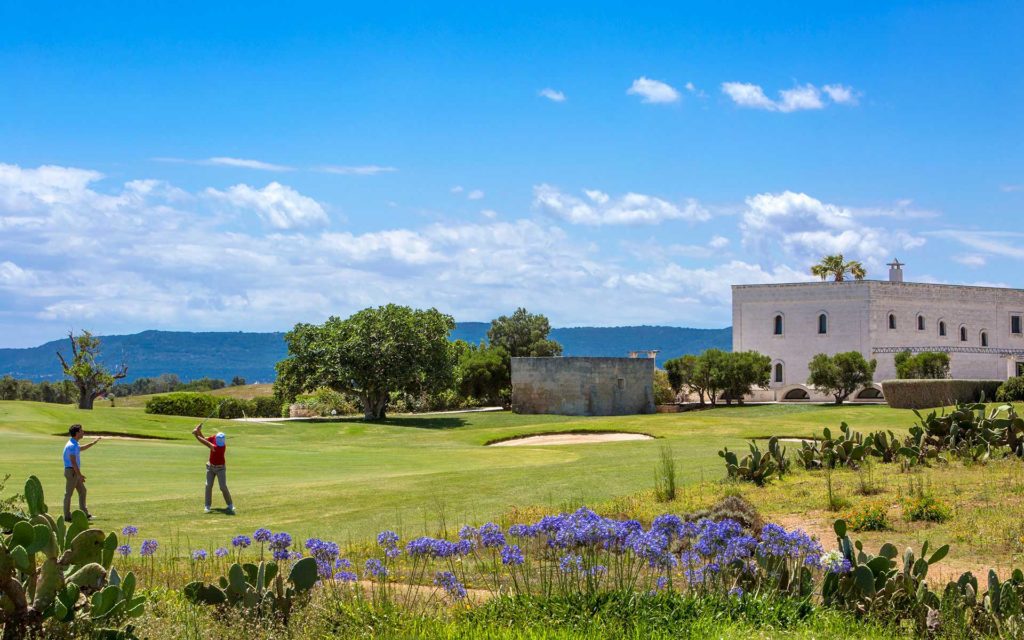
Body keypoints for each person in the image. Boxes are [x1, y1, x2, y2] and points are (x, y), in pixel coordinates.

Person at [192, 424, 234, 514]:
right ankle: (207, 506)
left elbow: (205, 443)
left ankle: (230, 505)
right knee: (208, 485)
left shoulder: (220, 447)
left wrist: (196, 434)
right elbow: (204, 438)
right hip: (210, 467)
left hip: (220, 468)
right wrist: (199, 431)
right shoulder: (214, 438)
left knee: (223, 487)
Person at [63, 424, 102, 520]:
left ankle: (84, 513)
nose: (83, 432)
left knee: (82, 491)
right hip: (72, 472)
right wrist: (79, 475)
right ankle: (67, 516)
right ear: (77, 433)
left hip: (74, 472)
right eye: (81, 431)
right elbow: (73, 462)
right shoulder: (71, 445)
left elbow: (82, 448)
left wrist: (93, 443)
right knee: (68, 494)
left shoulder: (74, 444)